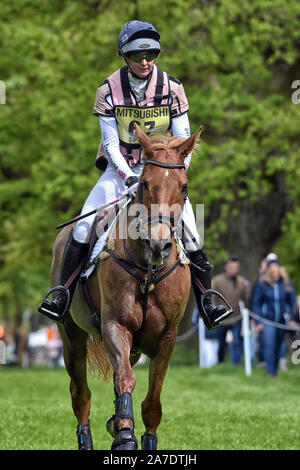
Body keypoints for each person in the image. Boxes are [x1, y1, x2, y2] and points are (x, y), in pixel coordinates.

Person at [38, 20, 231, 330]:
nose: (144, 62)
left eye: (150, 55)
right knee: (83, 226)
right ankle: (61, 296)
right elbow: (111, 143)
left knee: (194, 236)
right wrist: (129, 176)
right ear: (123, 56)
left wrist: (172, 179)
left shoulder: (173, 88)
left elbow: (184, 141)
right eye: (136, 56)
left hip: (162, 174)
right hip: (120, 171)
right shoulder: (107, 90)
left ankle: (207, 300)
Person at [250, 258, 296, 377]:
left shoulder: (286, 283)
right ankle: (271, 372)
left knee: (278, 345)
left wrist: (291, 318)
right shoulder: (262, 284)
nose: (273, 268)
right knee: (269, 344)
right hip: (267, 320)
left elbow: (292, 302)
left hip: (281, 320)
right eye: (271, 266)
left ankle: (274, 369)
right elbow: (256, 303)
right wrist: (258, 321)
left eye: (276, 266)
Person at [212, 257, 251, 365]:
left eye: (235, 268)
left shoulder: (242, 282)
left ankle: (236, 364)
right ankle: (220, 362)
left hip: (236, 318)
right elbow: (210, 297)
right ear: (226, 267)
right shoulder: (217, 280)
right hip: (222, 319)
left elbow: (246, 300)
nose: (233, 270)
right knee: (221, 343)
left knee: (237, 341)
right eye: (231, 267)